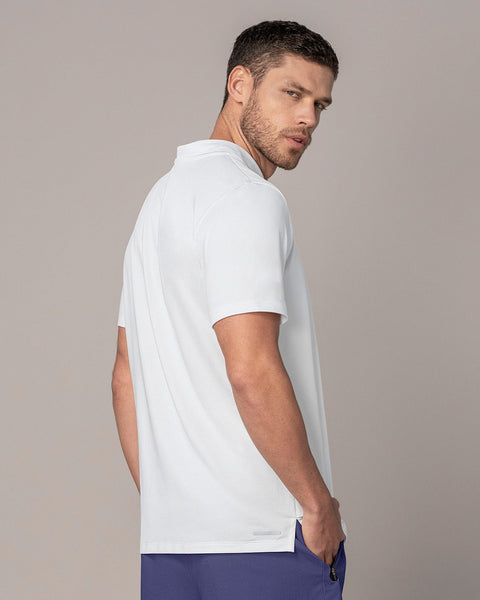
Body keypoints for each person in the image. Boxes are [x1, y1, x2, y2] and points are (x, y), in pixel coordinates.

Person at [112, 19, 348, 600]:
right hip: (266, 539)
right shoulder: (250, 199)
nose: (309, 119)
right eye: (292, 93)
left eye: (320, 104)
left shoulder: (159, 202)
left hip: (174, 541)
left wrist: (169, 502)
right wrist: (317, 505)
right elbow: (250, 368)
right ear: (239, 84)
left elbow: (125, 372)